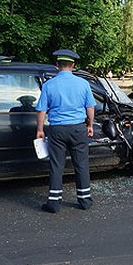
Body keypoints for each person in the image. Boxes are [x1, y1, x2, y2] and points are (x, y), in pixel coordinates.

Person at [36, 49, 96, 213]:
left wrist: (40, 130)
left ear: (57, 65)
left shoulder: (49, 85)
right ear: (73, 65)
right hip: (78, 129)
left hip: (57, 130)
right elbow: (90, 107)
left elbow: (41, 110)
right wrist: (90, 125)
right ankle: (84, 201)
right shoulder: (83, 84)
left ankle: (54, 203)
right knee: (81, 165)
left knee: (56, 166)